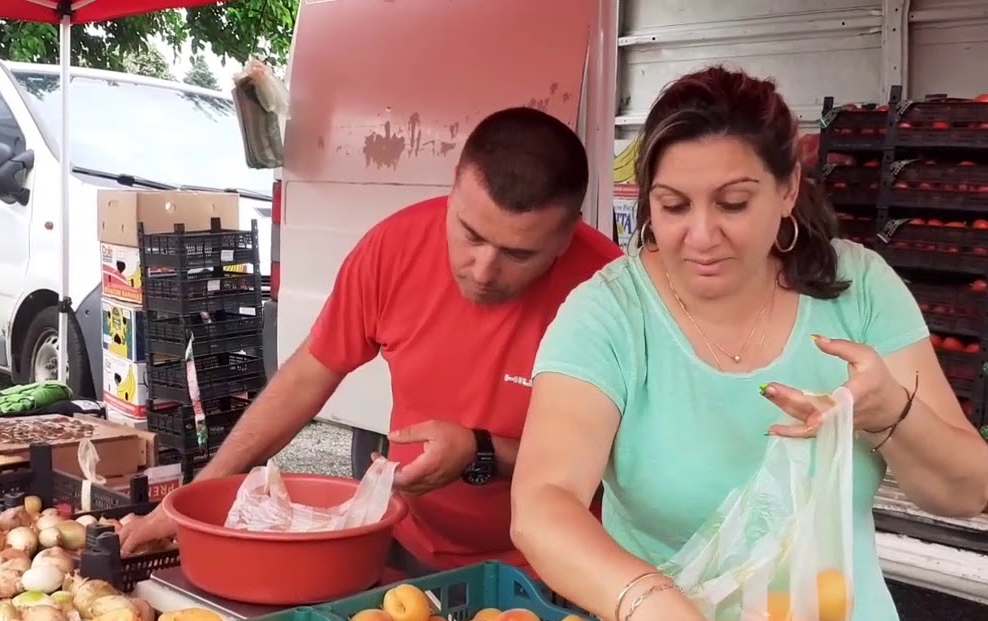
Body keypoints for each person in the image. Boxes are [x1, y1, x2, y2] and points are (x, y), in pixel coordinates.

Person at [509, 66, 988, 621]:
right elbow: (543, 502)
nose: (702, 236)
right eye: (674, 206)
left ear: (788, 187)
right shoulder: (608, 314)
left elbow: (965, 490)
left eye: (734, 203)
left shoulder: (860, 291)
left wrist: (890, 416)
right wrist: (654, 604)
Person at [119, 106, 623, 572]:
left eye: (518, 254)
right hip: (412, 546)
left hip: (560, 569)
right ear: (453, 191)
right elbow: (305, 378)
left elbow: (629, 464)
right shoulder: (394, 248)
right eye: (470, 234)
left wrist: (481, 451)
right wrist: (192, 499)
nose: (484, 270)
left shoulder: (612, 294)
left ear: (566, 236)